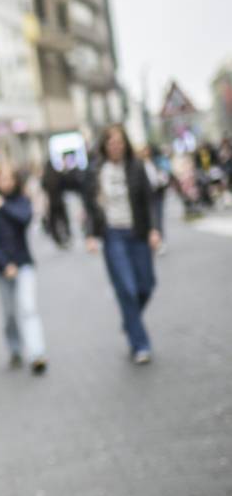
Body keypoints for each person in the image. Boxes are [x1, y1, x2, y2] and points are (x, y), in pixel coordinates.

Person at [83, 124, 160, 364]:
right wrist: (90, 235)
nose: (116, 146)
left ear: (125, 143)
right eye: (111, 143)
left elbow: (150, 200)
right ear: (104, 146)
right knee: (126, 288)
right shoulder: (96, 171)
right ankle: (140, 345)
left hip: (137, 232)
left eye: (119, 142)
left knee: (146, 285)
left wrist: (155, 229)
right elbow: (90, 207)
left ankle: (129, 321)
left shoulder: (137, 167)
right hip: (112, 235)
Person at [0, 166, 47, 375]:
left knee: (28, 308)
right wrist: (4, 264)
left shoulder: (20, 202)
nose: (6, 183)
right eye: (2, 179)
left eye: (10, 179)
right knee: (9, 314)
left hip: (24, 263)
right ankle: (15, 349)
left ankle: (37, 354)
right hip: (2, 268)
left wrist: (4, 206)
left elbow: (24, 219)